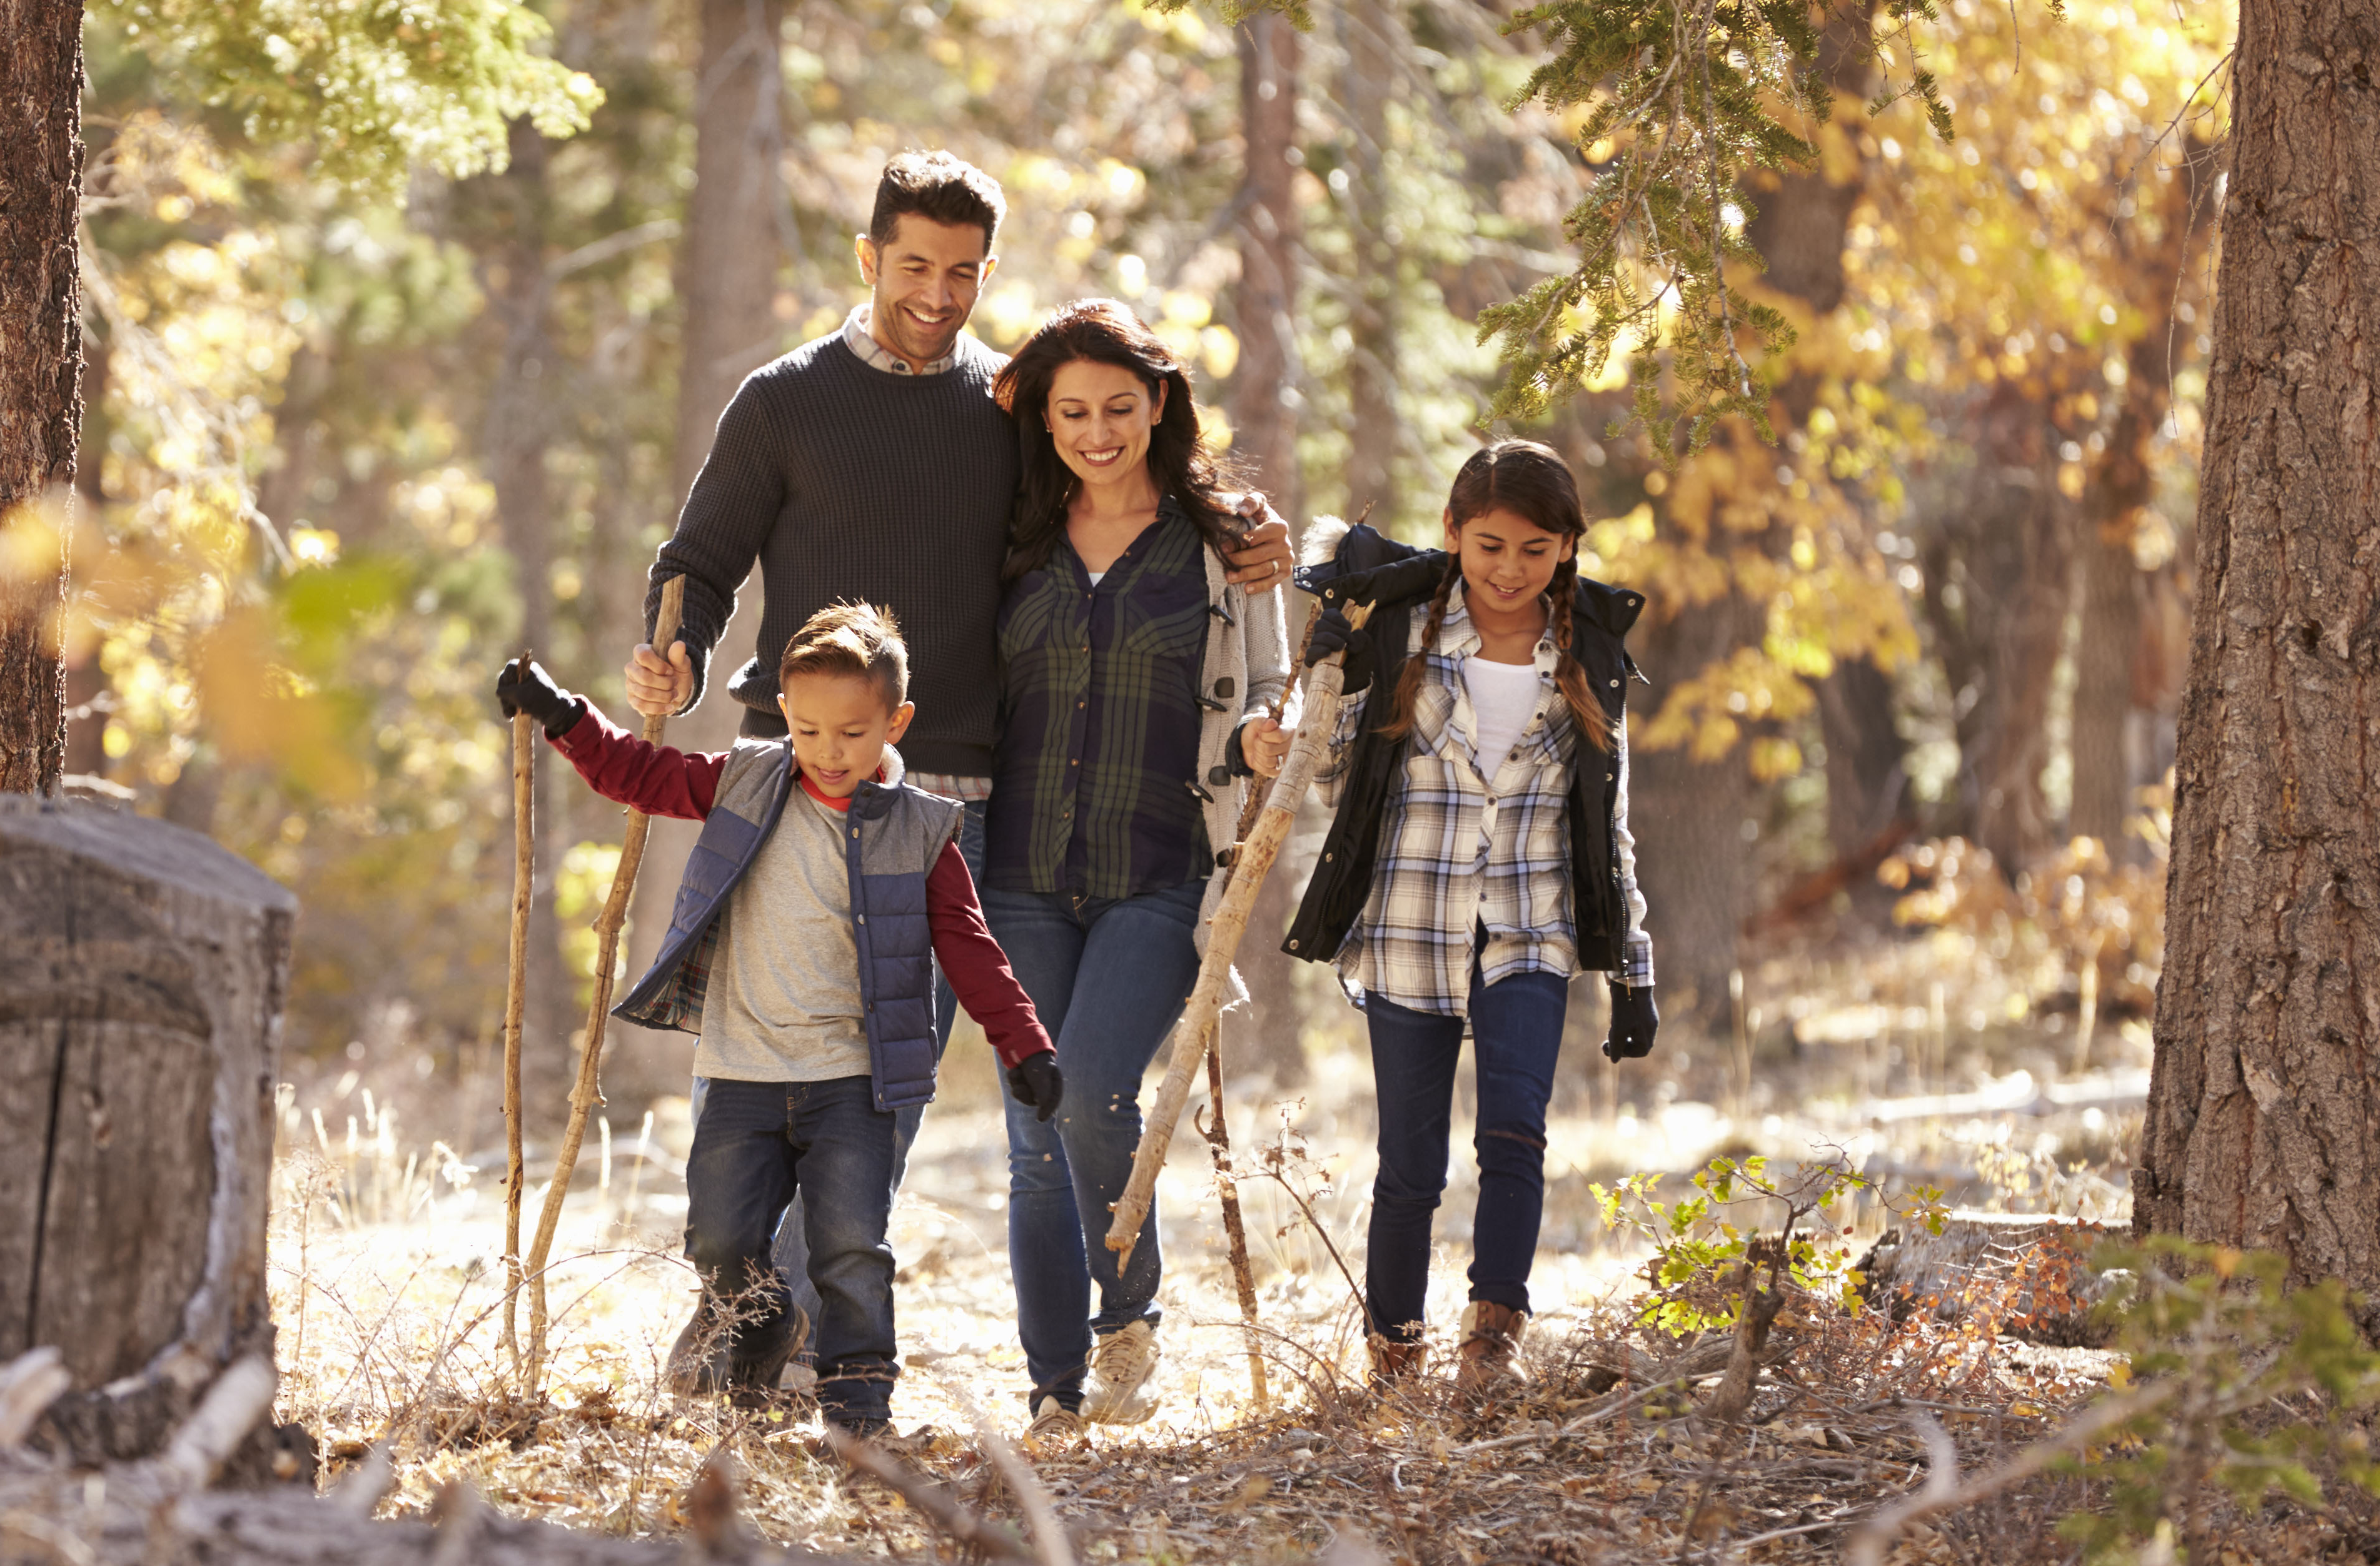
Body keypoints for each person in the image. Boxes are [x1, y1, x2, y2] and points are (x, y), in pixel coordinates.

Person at [627, 149, 1289, 1360]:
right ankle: (736, 1298)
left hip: (953, 802)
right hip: (789, 783)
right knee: (773, 1060)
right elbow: (699, 559)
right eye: (915, 265)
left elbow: (1124, 487)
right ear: (868, 256)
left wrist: (1246, 532)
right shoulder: (782, 398)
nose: (936, 293)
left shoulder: (1005, 408)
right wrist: (668, 646)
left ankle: (786, 1339)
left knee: (889, 1081)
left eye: (964, 272)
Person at [498, 605, 1063, 1440]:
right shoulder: (749, 779)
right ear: (784, 716)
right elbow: (642, 775)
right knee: (719, 1237)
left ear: (896, 722)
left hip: (854, 1081)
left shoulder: (922, 828)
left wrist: (1024, 1041)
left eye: (851, 732)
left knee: (849, 1250)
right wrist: (561, 714)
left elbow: (970, 946)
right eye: (807, 728)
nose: (828, 751)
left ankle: (859, 1408)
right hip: (741, 1073)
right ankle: (759, 1321)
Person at [1281, 440, 1660, 1396]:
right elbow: (1329, 782)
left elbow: (1608, 820)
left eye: (1536, 549)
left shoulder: (1589, 654)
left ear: (1569, 548)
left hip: (1531, 927)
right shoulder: (1402, 630)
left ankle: (1493, 1340)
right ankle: (1394, 1355)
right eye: (1489, 544)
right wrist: (1331, 677)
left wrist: (1633, 966)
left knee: (1515, 1135)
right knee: (1410, 1163)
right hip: (1410, 924)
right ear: (1452, 534)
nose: (1509, 568)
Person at [976, 301, 1291, 1442]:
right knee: (1031, 1126)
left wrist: (1268, 732)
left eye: (1119, 406)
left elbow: (1273, 685)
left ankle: (1128, 1311)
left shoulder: (1226, 544)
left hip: (1161, 870)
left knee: (1096, 1087)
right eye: (1073, 412)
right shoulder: (1009, 530)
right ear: (1045, 421)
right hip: (1014, 871)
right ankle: (1054, 1386)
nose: (1098, 431)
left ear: (1159, 404)